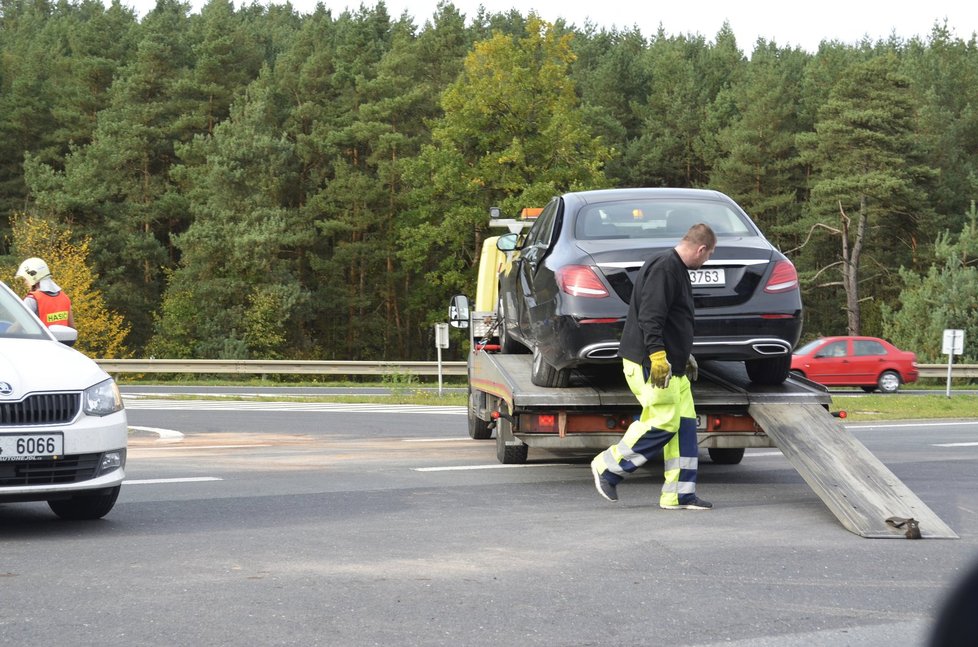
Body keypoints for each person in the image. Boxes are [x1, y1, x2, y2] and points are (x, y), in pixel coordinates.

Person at [590, 223, 717, 509]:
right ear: (701, 249)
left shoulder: (675, 268)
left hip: (673, 365)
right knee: (663, 421)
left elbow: (674, 321)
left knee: (684, 427)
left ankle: (679, 494)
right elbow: (651, 316)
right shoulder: (665, 268)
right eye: (708, 255)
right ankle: (608, 467)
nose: (706, 261)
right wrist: (658, 356)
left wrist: (684, 356)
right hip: (653, 364)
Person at [15, 257, 75, 328]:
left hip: (41, 339)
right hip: (62, 339)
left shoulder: (32, 299)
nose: (25, 282)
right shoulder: (64, 298)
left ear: (33, 277)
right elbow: (72, 328)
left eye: (26, 279)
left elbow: (18, 326)